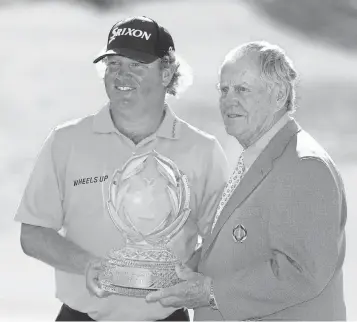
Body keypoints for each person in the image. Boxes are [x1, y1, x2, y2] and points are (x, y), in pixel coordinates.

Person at [15, 16, 229, 321]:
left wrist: (185, 274)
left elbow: (222, 241)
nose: (121, 75)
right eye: (113, 64)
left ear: (167, 72)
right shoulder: (66, 141)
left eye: (136, 65)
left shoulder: (202, 150)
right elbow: (33, 233)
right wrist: (86, 264)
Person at [146, 41, 347, 321]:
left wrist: (210, 292)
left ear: (279, 95)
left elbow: (302, 273)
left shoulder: (305, 166)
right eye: (224, 90)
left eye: (242, 89)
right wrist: (177, 270)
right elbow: (239, 245)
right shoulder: (258, 156)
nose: (229, 100)